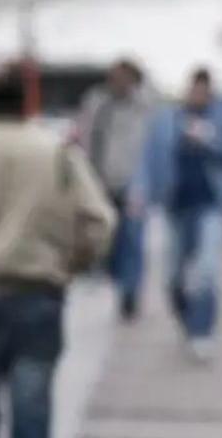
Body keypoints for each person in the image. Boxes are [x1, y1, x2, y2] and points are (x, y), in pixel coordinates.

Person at [0, 66, 116, 438]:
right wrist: (72, 264)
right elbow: (99, 221)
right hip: (37, 293)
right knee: (32, 407)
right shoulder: (55, 152)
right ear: (26, 101)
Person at [134, 68, 222, 364]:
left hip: (211, 203)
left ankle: (202, 331)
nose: (197, 95)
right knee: (173, 277)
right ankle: (187, 320)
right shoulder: (167, 118)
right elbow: (149, 157)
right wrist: (141, 191)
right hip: (175, 205)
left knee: (207, 271)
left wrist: (210, 139)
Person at [77, 59, 155, 321]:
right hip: (100, 180)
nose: (117, 83)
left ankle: (130, 294)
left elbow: (150, 145)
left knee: (132, 239)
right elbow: (85, 136)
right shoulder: (96, 101)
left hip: (133, 183)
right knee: (105, 237)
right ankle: (108, 276)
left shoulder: (144, 106)